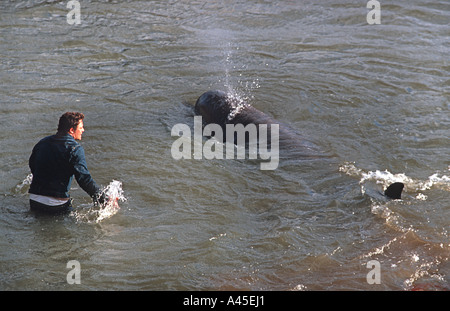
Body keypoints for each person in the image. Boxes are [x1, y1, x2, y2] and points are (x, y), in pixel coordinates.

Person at [28, 112, 104, 215]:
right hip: (56, 204)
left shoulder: (42, 143)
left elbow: (32, 165)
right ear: (71, 130)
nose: (83, 130)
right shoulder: (75, 149)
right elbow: (84, 179)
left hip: (34, 200)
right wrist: (103, 199)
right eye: (81, 127)